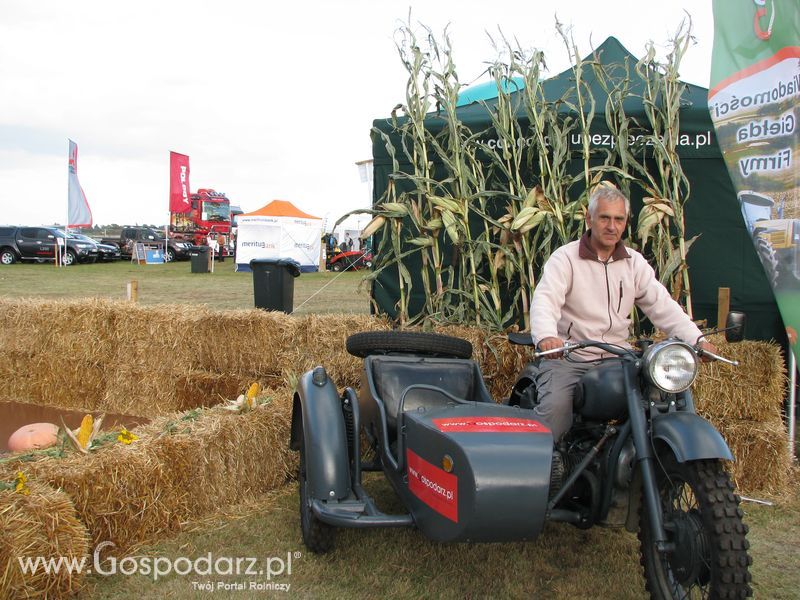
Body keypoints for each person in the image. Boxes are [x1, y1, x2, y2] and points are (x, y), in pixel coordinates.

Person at [530, 184, 716, 442]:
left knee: (661, 398)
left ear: (626, 222)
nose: (611, 226)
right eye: (604, 217)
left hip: (619, 357)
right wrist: (547, 337)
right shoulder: (566, 259)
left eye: (618, 219)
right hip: (572, 357)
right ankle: (550, 470)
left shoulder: (633, 262)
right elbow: (545, 300)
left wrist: (696, 340)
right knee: (556, 411)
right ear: (589, 218)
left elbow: (661, 304)